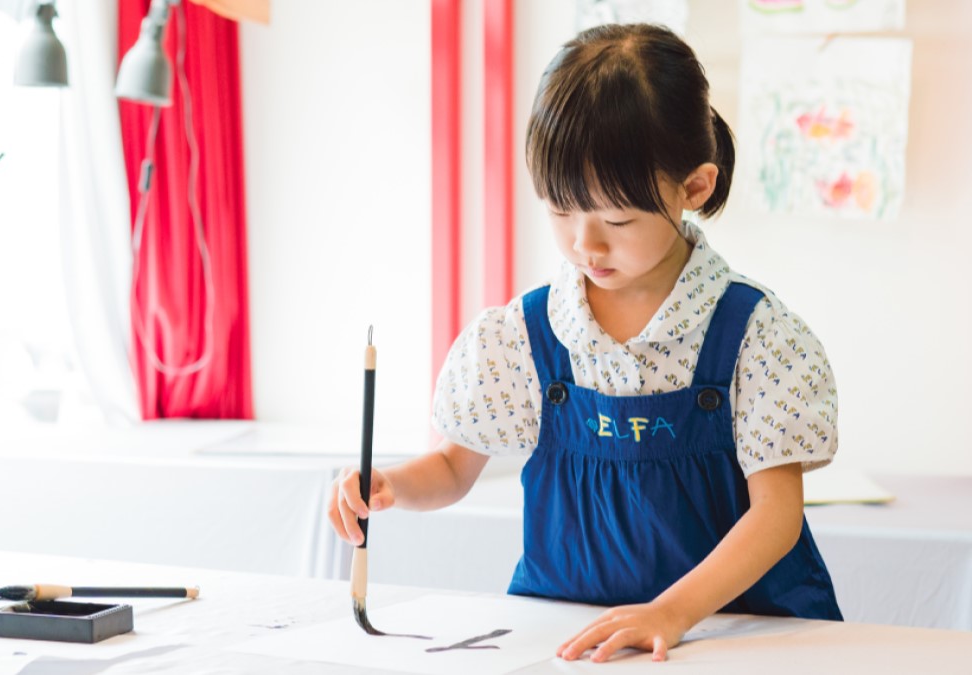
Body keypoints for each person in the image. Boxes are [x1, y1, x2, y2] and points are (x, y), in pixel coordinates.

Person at [327, 23, 843, 663]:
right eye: (560, 210)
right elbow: (455, 468)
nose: (585, 245)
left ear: (694, 188)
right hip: (568, 639)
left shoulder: (756, 336)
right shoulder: (523, 335)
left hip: (732, 638)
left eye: (617, 219)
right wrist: (390, 485)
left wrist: (671, 613)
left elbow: (776, 516)